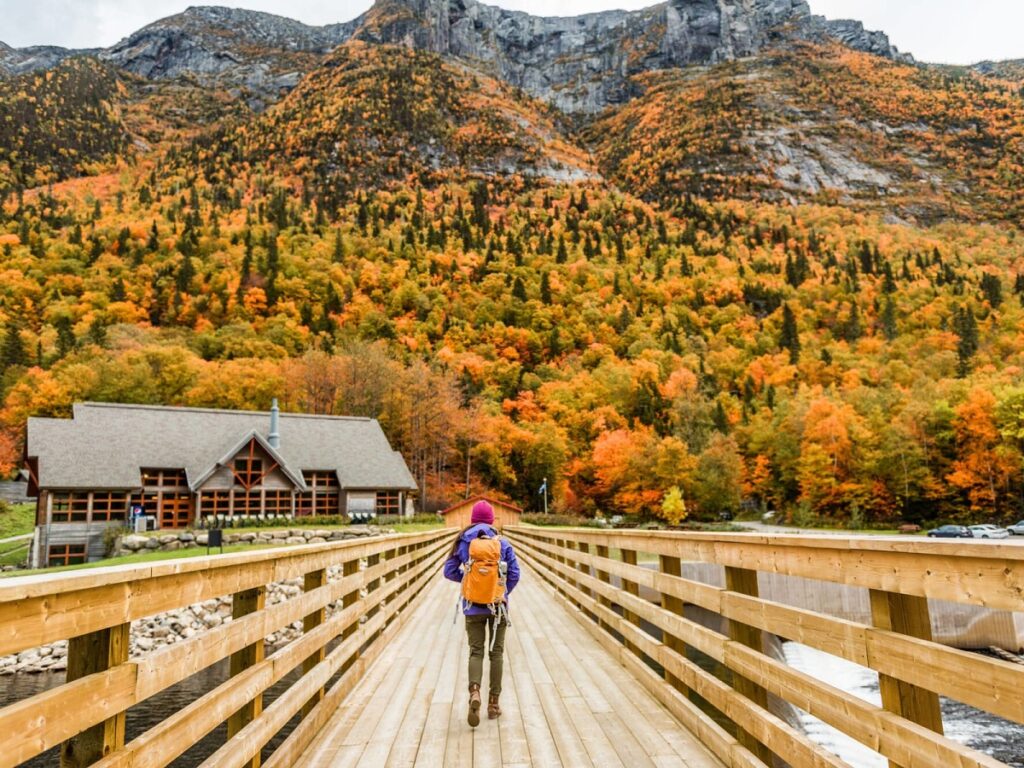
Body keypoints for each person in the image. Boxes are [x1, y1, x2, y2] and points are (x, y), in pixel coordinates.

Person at [443, 499, 520, 727]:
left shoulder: (463, 540)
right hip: (497, 608)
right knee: (496, 653)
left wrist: (468, 583)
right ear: (491, 520)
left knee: (475, 651)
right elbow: (515, 573)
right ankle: (494, 704)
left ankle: (474, 692)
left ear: (472, 519)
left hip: (472, 606)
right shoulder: (502, 543)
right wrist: (501, 592)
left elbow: (448, 571)